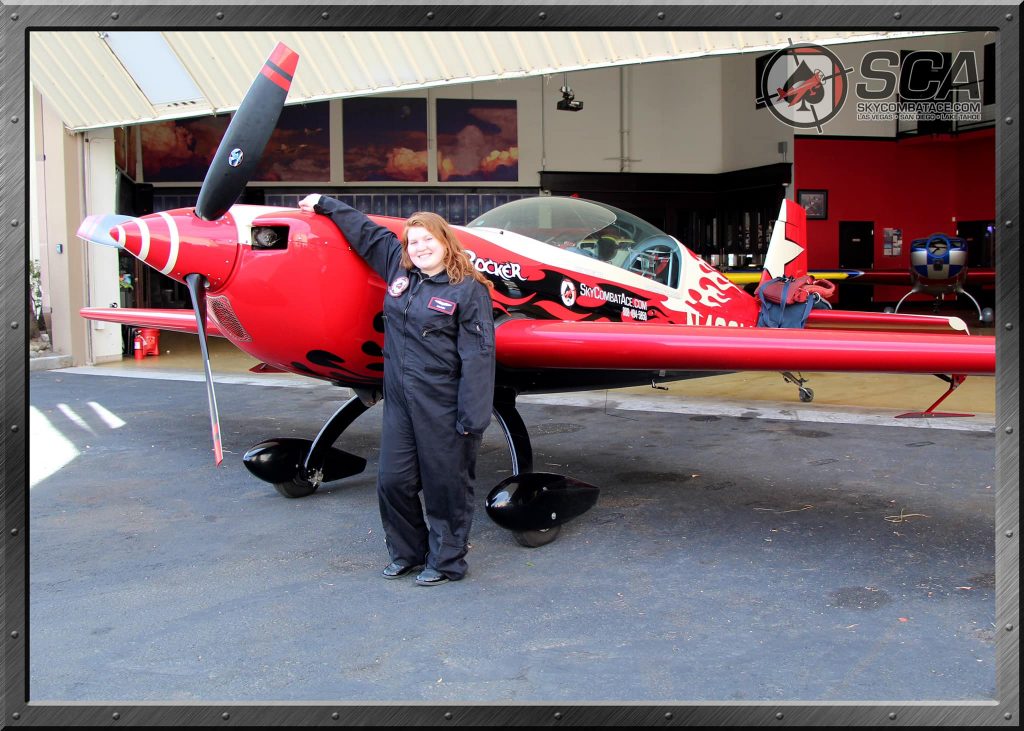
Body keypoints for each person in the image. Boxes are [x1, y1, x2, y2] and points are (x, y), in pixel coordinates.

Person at [298, 194, 496, 586]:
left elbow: (479, 356)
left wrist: (473, 418)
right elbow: (367, 234)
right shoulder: (399, 269)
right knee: (392, 481)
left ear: (446, 243)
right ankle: (408, 553)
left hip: (442, 402)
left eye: (428, 240)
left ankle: (446, 562)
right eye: (413, 241)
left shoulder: (467, 290)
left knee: (446, 487)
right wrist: (324, 203)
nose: (420, 248)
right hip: (401, 401)